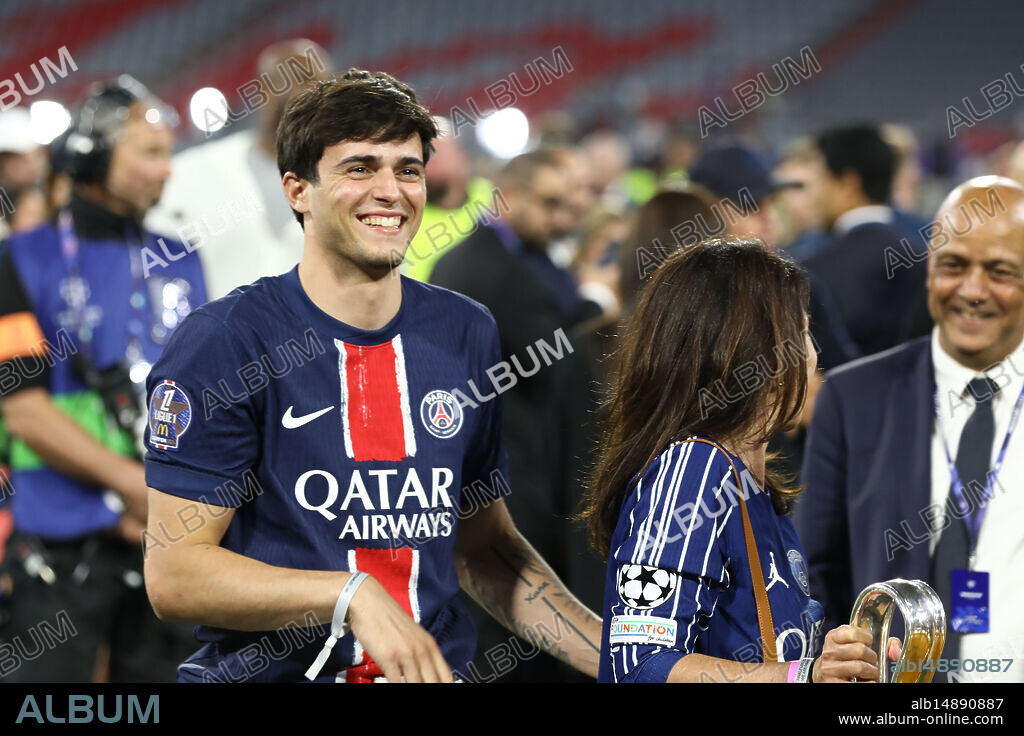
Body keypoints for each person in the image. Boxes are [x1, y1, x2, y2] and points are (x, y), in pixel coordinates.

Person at [142, 69, 602, 683]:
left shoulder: (465, 332)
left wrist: (623, 659)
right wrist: (350, 594)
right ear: (298, 190)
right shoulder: (226, 341)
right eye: (359, 168)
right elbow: (175, 575)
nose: (390, 190)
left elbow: (485, 548)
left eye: (406, 169)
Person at [581, 237, 900, 683]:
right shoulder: (692, 469)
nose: (814, 356)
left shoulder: (751, 481)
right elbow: (638, 664)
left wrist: (836, 661)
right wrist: (802, 677)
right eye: (804, 333)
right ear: (757, 355)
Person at [0, 76, 205, 682]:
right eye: (149, 153)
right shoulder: (19, 259)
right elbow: (24, 411)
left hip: (168, 543)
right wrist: (136, 488)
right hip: (63, 547)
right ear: (91, 156)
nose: (167, 171)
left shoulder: (184, 258)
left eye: (168, 153)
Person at [797, 176, 1024, 683]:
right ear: (928, 272)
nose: (971, 290)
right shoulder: (854, 397)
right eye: (953, 265)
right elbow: (814, 574)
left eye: (1000, 271)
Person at [430, 148, 616, 681]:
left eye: (570, 203)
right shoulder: (484, 268)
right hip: (506, 482)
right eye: (550, 203)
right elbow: (553, 357)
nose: (564, 217)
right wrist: (599, 300)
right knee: (513, 639)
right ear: (507, 195)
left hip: (527, 473)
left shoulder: (524, 257)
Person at [145, 39, 334, 300]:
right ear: (263, 91)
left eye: (316, 84)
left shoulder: (346, 185)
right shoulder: (193, 173)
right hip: (212, 338)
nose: (303, 92)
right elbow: (151, 262)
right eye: (290, 79)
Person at [803, 124, 927, 356]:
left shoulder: (814, 271)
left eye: (820, 179)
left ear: (849, 184)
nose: (814, 196)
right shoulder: (923, 256)